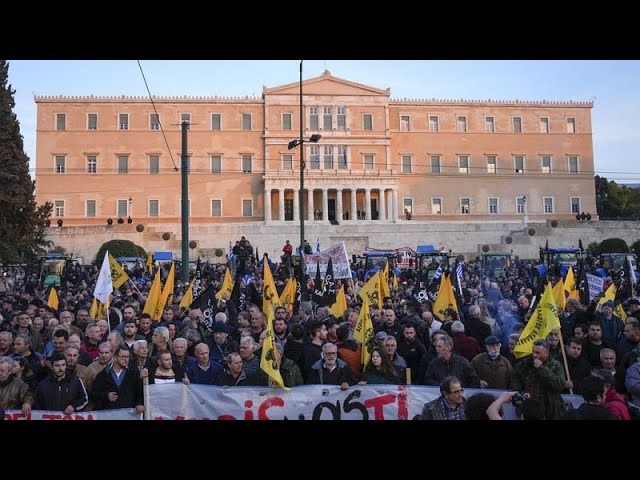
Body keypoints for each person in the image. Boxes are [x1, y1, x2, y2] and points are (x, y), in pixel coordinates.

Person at [509, 339, 566, 420]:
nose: (534, 355)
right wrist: (519, 392)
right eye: (533, 352)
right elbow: (515, 375)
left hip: (548, 408)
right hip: (528, 406)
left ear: (546, 353)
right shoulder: (527, 362)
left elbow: (560, 385)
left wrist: (542, 368)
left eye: (538, 353)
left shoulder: (556, 365)